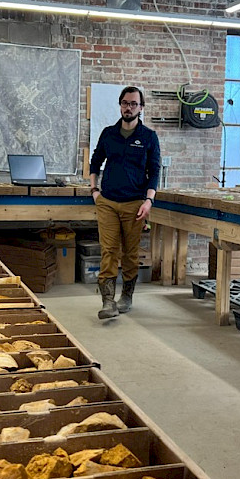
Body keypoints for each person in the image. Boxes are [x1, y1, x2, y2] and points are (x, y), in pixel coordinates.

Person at [89, 86, 161, 319]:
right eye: (125, 103)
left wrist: (149, 200)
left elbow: (154, 171)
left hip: (134, 204)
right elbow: (95, 163)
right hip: (108, 202)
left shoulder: (148, 137)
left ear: (141, 107)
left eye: (133, 104)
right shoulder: (108, 133)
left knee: (130, 253)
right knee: (109, 251)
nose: (128, 108)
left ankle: (127, 296)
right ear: (120, 105)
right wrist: (94, 190)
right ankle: (108, 302)